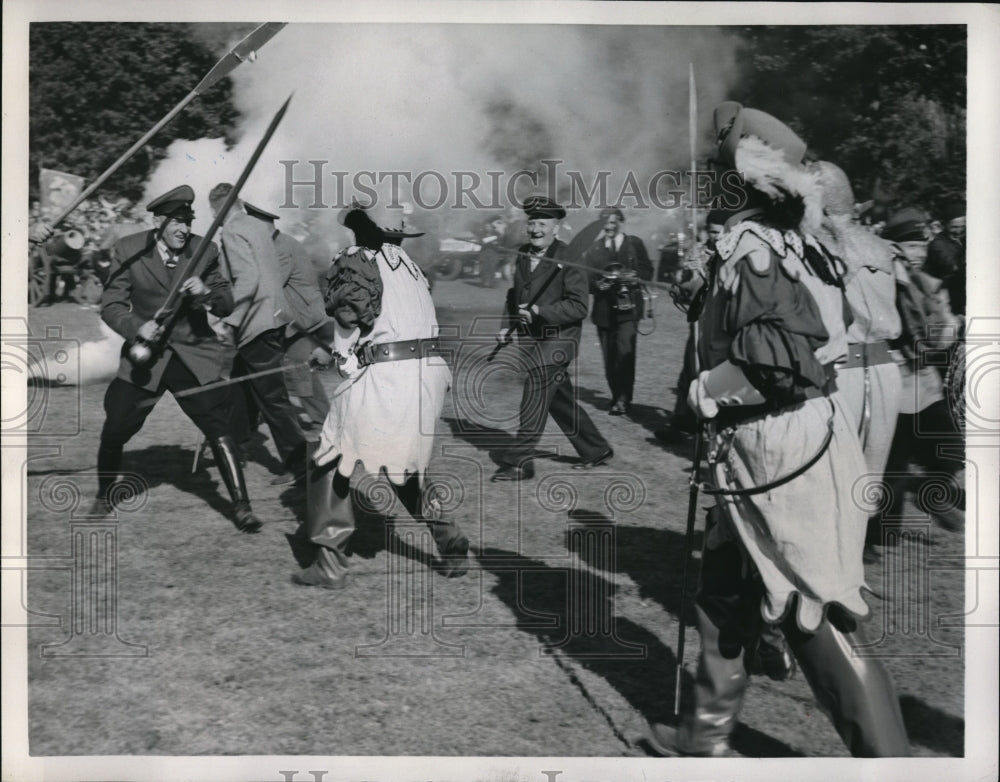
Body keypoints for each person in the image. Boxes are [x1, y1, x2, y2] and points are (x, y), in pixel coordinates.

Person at [647, 103, 911, 757]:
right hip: (785, 440)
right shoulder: (799, 243)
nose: (709, 184)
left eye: (717, 174)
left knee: (812, 610)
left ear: (743, 182)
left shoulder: (756, 248)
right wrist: (710, 298)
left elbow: (775, 367)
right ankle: (703, 737)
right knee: (725, 589)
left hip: (777, 444)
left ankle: (892, 766)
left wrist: (703, 390)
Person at [292, 203, 470, 588]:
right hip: (429, 373)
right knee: (400, 463)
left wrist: (338, 356)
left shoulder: (355, 260)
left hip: (390, 376)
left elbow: (348, 321)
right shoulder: (409, 267)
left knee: (328, 456)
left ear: (361, 228)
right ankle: (447, 534)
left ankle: (329, 564)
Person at [92, 185, 263, 532]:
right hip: (146, 358)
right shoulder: (129, 249)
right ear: (158, 221)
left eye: (188, 221)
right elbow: (110, 306)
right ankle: (105, 493)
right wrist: (138, 328)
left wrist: (207, 293)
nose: (184, 229)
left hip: (193, 356)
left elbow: (226, 302)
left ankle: (242, 507)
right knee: (116, 427)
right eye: (176, 222)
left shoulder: (205, 249)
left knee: (218, 426)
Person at [811, 162, 905, 563]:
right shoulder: (880, 246)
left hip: (845, 371)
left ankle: (833, 560)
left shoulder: (822, 244)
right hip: (885, 369)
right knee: (869, 471)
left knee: (831, 468)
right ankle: (854, 553)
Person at [491, 196, 614, 482]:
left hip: (559, 340)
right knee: (558, 399)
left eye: (542, 224)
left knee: (535, 394)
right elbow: (515, 295)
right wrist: (505, 325)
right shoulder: (523, 253)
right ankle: (596, 450)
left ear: (556, 228)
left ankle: (519, 462)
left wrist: (539, 312)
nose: (535, 229)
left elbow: (579, 306)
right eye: (531, 222)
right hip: (531, 341)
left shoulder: (570, 257)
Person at [209, 183, 309, 486]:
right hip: (275, 316)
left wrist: (231, 320)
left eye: (213, 213)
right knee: (241, 388)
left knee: (271, 397)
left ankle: (301, 462)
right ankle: (236, 448)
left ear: (217, 209)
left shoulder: (230, 231)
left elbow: (248, 278)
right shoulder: (258, 225)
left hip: (256, 322)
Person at [879, 209, 964, 533]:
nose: (919, 253)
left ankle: (931, 495)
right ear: (895, 245)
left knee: (951, 450)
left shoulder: (917, 281)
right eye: (912, 246)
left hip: (924, 385)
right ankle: (878, 537)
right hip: (898, 384)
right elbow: (919, 336)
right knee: (894, 465)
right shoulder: (893, 278)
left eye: (921, 246)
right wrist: (948, 328)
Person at [242, 200, 335, 432]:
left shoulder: (280, 248)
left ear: (262, 225)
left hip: (302, 317)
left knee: (298, 367)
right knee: (285, 366)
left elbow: (268, 285)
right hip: (293, 315)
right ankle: (256, 415)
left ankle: (325, 420)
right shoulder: (275, 244)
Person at [655, 209, 729, 443]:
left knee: (718, 376)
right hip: (699, 323)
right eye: (713, 232)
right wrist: (686, 275)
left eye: (720, 232)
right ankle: (682, 423)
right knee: (690, 372)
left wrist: (707, 273)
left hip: (723, 325)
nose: (716, 237)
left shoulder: (734, 251)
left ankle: (717, 428)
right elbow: (683, 289)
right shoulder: (697, 250)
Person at [581, 207, 653, 416]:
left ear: (621, 222)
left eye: (613, 222)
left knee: (624, 351)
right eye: (605, 223)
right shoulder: (594, 248)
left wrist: (635, 276)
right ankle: (615, 395)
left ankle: (623, 398)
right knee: (609, 356)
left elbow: (648, 270)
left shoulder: (634, 244)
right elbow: (585, 278)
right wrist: (597, 286)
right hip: (603, 311)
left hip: (628, 309)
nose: (609, 227)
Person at [924, 202, 965, 319]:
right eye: (954, 227)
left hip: (958, 294)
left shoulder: (962, 239)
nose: (959, 231)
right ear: (945, 225)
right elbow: (951, 265)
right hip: (942, 297)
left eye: (963, 226)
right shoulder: (938, 244)